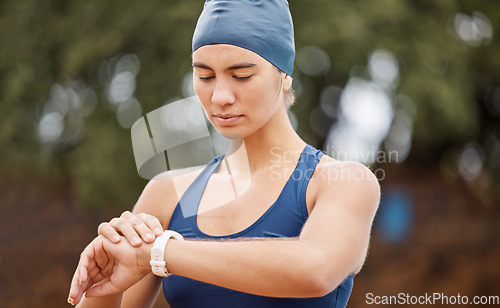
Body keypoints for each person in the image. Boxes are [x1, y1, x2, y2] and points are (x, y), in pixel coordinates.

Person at [68, 0, 380, 307]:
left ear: (284, 75)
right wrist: (108, 268)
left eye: (241, 76)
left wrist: (160, 252)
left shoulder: (341, 183)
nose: (219, 97)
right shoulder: (168, 195)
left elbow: (316, 270)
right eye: (204, 76)